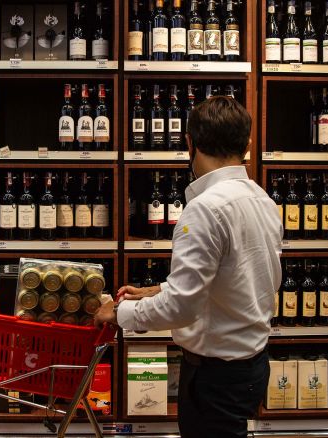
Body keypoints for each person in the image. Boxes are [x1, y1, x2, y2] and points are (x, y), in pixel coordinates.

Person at [95, 96, 283, 438]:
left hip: (216, 377)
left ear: (190, 143)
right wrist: (161, 289)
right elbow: (238, 276)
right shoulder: (263, 200)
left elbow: (183, 308)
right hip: (251, 365)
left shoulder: (206, 209)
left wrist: (118, 314)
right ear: (246, 144)